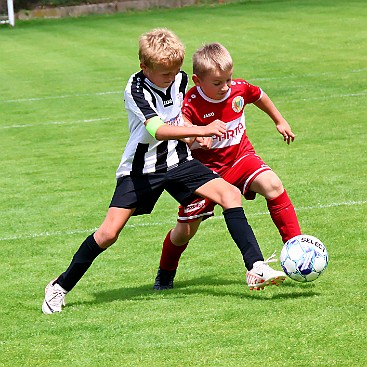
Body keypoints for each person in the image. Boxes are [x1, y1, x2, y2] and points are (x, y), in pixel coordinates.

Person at [42, 29, 285, 314]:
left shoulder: (180, 79)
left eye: (175, 72)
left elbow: (178, 116)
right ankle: (58, 287)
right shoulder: (135, 88)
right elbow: (157, 129)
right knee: (108, 234)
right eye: (164, 73)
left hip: (179, 162)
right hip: (140, 171)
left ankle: (255, 267)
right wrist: (199, 130)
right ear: (145, 67)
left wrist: (192, 139)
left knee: (230, 194)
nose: (172, 78)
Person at [153, 42, 301, 291]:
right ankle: (165, 274)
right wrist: (197, 136)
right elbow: (182, 134)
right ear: (198, 81)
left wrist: (279, 120)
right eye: (218, 83)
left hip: (241, 158)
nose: (226, 87)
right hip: (207, 174)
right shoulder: (189, 103)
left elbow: (258, 95)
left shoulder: (238, 89)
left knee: (273, 185)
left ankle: (296, 250)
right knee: (185, 231)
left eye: (228, 79)